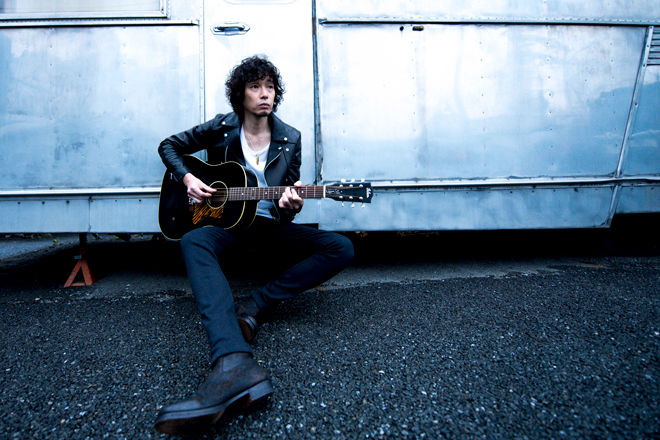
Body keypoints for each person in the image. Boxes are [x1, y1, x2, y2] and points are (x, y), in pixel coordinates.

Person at [154, 55, 354, 435]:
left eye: (270, 87)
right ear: (240, 94)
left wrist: (290, 205)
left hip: (267, 226)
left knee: (342, 248)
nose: (265, 94)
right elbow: (169, 146)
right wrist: (188, 179)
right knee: (193, 241)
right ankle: (232, 359)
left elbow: (286, 206)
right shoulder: (222, 127)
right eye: (255, 86)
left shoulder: (290, 138)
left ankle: (256, 304)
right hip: (226, 225)